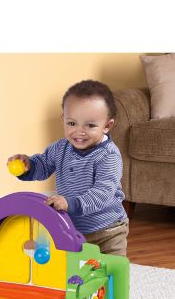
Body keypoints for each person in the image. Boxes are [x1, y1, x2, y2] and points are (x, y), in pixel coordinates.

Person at [8, 79, 128, 256]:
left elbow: (102, 193)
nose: (79, 131)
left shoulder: (108, 155)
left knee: (112, 268)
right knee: (71, 268)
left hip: (107, 230)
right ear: (63, 120)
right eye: (72, 123)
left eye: (90, 125)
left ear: (107, 126)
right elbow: (43, 165)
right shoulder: (60, 148)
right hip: (72, 228)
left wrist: (70, 203)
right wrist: (29, 166)